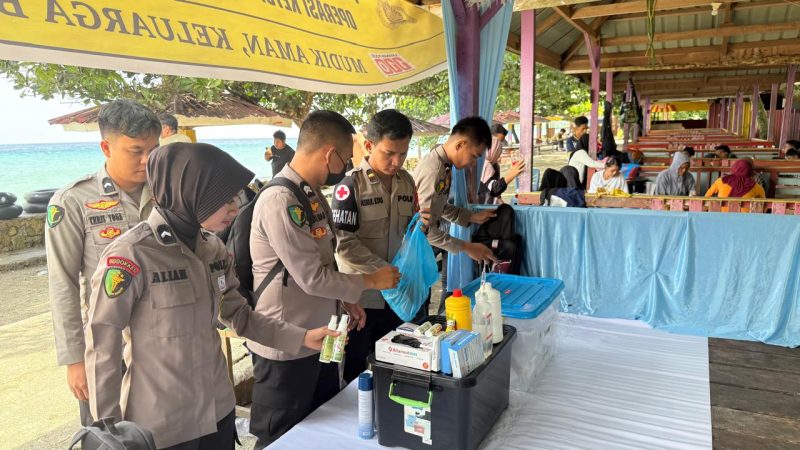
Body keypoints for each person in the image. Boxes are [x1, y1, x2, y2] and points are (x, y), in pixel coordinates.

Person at [84, 143, 340, 449]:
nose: (235, 208)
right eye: (225, 199)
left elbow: (240, 316)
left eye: (235, 197)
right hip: (162, 426)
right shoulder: (133, 255)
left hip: (218, 413)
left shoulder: (213, 249)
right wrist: (109, 431)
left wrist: (302, 337)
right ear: (191, 192)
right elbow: (103, 344)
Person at [248, 110, 400, 447]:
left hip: (324, 337)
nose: (345, 167)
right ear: (329, 154)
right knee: (281, 436)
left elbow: (326, 262)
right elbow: (311, 278)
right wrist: (371, 281)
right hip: (287, 345)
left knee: (323, 427)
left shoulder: (313, 197)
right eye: (345, 159)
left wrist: (347, 300)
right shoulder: (280, 200)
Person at [45, 99, 161, 427]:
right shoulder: (73, 202)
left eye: (154, 148)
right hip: (107, 348)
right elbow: (62, 283)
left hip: (162, 341)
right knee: (109, 436)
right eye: (136, 150)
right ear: (106, 147)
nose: (147, 159)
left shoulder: (168, 192)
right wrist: (74, 359)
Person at [330, 109, 419, 383]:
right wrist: (381, 271)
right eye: (389, 153)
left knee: (396, 362)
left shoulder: (407, 182)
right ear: (369, 146)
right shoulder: (349, 186)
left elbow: (410, 233)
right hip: (362, 298)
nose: (396, 161)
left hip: (398, 296)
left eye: (403, 154)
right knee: (356, 368)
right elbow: (343, 244)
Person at [413, 116, 498, 263]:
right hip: (415, 248)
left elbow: (439, 206)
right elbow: (424, 228)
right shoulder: (435, 170)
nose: (472, 164)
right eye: (473, 156)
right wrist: (467, 247)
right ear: (460, 144)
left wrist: (470, 216)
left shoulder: (444, 165)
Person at [478, 128, 525, 204]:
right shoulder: (485, 165)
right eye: (497, 151)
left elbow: (496, 191)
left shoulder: (494, 165)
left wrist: (501, 202)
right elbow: (494, 189)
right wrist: (511, 175)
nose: (498, 155)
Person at [567, 116, 605, 184]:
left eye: (586, 129)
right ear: (576, 128)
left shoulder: (587, 139)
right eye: (583, 129)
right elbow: (591, 163)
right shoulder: (571, 141)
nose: (585, 131)